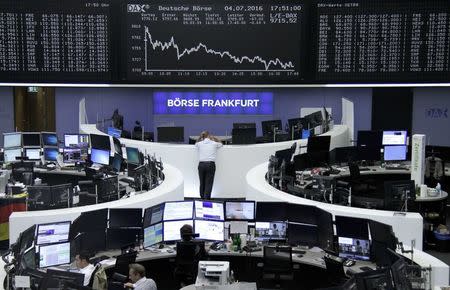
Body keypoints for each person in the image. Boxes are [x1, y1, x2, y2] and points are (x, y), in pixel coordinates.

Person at [195, 131, 223, 199]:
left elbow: (195, 143)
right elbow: (221, 144)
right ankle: (206, 200)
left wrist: (200, 137)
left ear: (203, 136)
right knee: (209, 183)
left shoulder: (199, 143)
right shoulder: (214, 143)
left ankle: (202, 198)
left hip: (201, 165)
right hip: (210, 165)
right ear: (209, 136)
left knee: (202, 183)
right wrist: (214, 138)